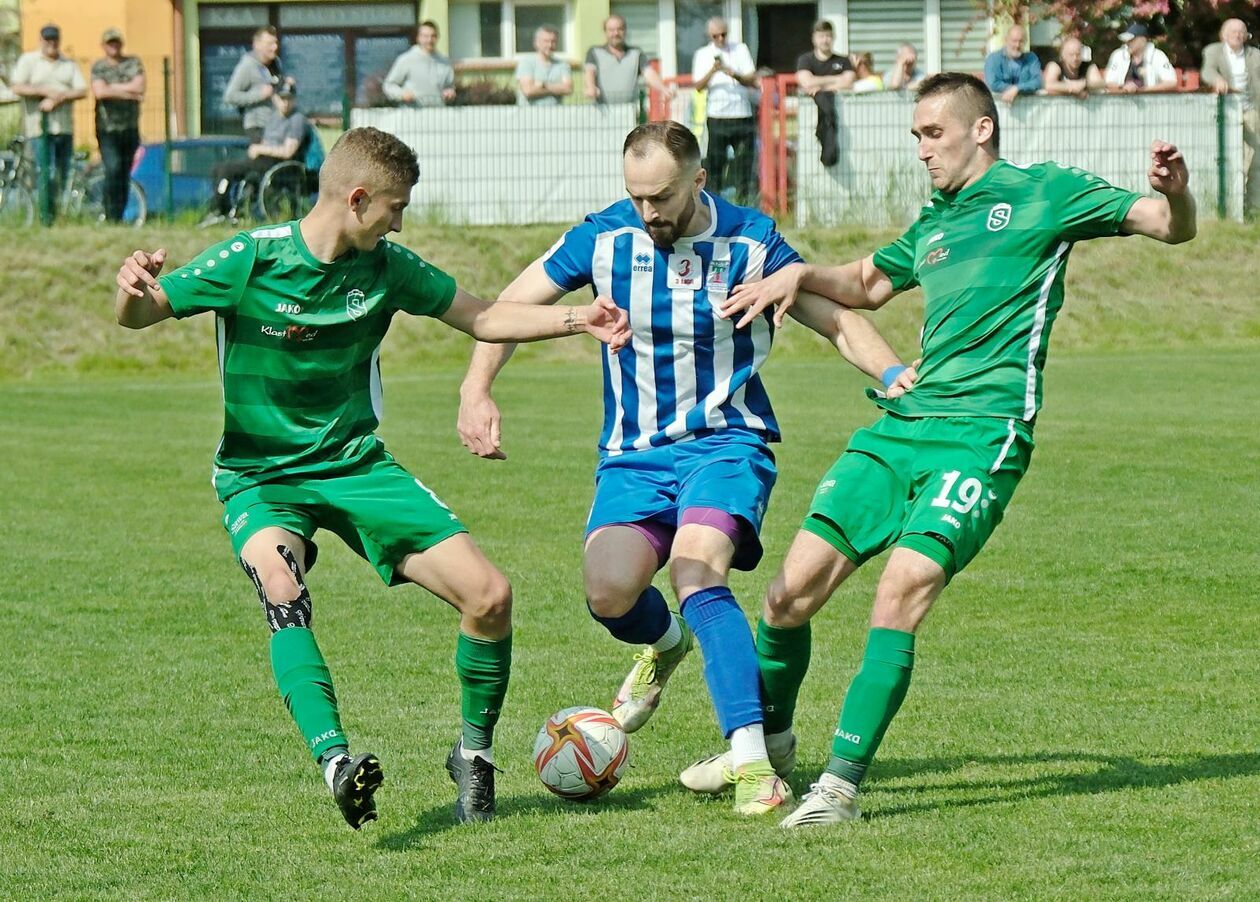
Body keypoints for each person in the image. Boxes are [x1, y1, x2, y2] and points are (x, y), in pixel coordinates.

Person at [697, 71, 1196, 828]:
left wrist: (1177, 190)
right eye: (917, 136)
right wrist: (796, 273)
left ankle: (838, 788)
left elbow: (1168, 226)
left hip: (984, 435)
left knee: (900, 591)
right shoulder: (934, 220)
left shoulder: (1046, 192)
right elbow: (865, 283)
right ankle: (769, 748)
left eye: (933, 133)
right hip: (902, 425)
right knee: (785, 596)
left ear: (981, 128)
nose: (922, 149)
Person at [113, 126, 630, 829]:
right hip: (261, 478)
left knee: (491, 595)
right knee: (282, 587)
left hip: (355, 465)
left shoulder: (386, 267)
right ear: (356, 199)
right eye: (395, 207)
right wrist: (130, 290)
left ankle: (473, 758)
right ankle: (336, 764)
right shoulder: (250, 259)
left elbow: (482, 316)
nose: (399, 220)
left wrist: (579, 317)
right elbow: (142, 314)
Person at [455, 120, 914, 817]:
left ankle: (753, 762)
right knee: (608, 594)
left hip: (726, 443)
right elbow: (508, 308)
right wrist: (476, 387)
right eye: (637, 196)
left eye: (662, 196)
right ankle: (665, 644)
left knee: (698, 570)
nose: (649, 212)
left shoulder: (751, 242)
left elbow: (835, 316)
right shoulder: (603, 236)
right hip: (632, 456)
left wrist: (891, 371)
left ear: (699, 180)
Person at [201, 81, 307, 226]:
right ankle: (221, 207)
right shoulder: (274, 117)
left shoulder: (297, 120)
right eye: (282, 98)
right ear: (275, 98)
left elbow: (288, 151)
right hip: (261, 159)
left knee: (227, 170)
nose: (285, 103)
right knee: (218, 168)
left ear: (294, 99)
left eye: (289, 98)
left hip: (277, 164)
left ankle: (221, 210)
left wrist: (260, 149)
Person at [10, 24, 86, 217]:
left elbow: (81, 90)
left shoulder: (68, 64)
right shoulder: (29, 61)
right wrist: (44, 91)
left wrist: (58, 97)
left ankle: (62, 214)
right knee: (47, 172)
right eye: (48, 39)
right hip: (39, 129)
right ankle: (47, 215)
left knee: (64, 173)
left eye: (55, 39)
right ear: (41, 40)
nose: (51, 43)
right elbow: (17, 86)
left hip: (64, 128)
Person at [692, 17, 758, 205]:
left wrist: (733, 73)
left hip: (742, 114)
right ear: (709, 36)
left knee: (744, 165)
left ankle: (743, 203)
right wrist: (713, 70)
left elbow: (751, 79)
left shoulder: (740, 49)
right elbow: (698, 86)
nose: (720, 38)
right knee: (715, 165)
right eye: (716, 35)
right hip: (717, 116)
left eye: (723, 34)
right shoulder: (703, 54)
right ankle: (713, 205)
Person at [1201, 18, 1260, 215]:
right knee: (1231, 160)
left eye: (1242, 31)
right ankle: (1231, 207)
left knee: (1255, 160)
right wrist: (1217, 80)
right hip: (1227, 113)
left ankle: (1253, 207)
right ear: (1224, 35)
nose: (1238, 34)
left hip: (1251, 110)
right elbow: (1207, 71)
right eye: (1234, 31)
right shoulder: (1213, 51)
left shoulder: (1255, 55)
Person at [91, 28, 145, 223]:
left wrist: (112, 88)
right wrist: (128, 92)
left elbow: (140, 87)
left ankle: (118, 216)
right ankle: (110, 213)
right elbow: (99, 92)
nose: (113, 46)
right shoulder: (99, 67)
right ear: (104, 46)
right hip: (107, 129)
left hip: (130, 128)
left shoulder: (133, 63)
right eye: (109, 43)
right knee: (112, 168)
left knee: (124, 172)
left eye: (116, 42)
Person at [795, 20, 855, 167]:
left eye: (828, 36)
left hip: (843, 115)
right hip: (812, 118)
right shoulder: (805, 59)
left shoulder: (843, 60)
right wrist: (835, 80)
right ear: (814, 38)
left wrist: (820, 85)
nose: (825, 40)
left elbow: (848, 82)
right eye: (821, 36)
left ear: (833, 37)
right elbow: (806, 82)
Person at [583, 14, 671, 105]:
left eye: (620, 29)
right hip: (601, 110)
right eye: (611, 30)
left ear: (625, 31)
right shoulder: (594, 52)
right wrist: (591, 87)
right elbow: (590, 72)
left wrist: (663, 89)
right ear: (605, 32)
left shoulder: (636, 53)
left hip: (628, 110)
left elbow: (649, 73)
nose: (616, 33)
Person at [224, 26, 284, 142]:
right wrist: (259, 95)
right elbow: (229, 96)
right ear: (257, 44)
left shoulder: (276, 63)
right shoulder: (247, 66)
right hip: (257, 127)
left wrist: (285, 83)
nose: (275, 47)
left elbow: (275, 87)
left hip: (276, 125)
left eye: (275, 43)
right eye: (269, 44)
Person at [383, 20, 455, 107]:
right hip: (412, 115)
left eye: (433, 36)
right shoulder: (406, 59)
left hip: (437, 115)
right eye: (425, 36)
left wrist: (450, 92)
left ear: (438, 37)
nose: (429, 40)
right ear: (418, 38)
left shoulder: (444, 62)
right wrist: (401, 94)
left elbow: (450, 86)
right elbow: (388, 85)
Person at [1103, 23, 1177, 94]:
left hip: (1150, 103)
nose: (1127, 43)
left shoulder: (1158, 56)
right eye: (1126, 40)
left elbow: (1171, 83)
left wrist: (1142, 91)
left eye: (1131, 40)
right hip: (1121, 103)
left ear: (1142, 39)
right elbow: (1108, 82)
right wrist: (1123, 88)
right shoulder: (1118, 55)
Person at [983, 25, 1042, 102]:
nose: (1017, 45)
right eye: (1014, 41)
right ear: (1006, 40)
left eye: (1021, 41)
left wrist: (1017, 88)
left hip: (1027, 107)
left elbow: (1037, 82)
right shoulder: (993, 59)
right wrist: (1016, 89)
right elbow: (994, 84)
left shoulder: (1031, 59)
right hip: (1000, 106)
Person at [515, 25, 572, 105]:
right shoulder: (526, 63)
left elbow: (568, 89)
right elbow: (528, 91)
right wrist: (557, 88)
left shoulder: (562, 65)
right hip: (530, 114)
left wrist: (544, 85)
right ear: (536, 43)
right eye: (546, 41)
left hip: (556, 114)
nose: (550, 45)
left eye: (553, 41)